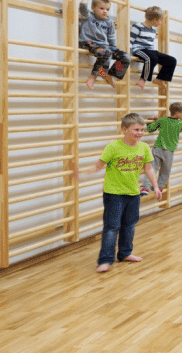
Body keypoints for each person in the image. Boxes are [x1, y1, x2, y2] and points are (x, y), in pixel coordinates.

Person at [75, 113, 162, 273]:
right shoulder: (113, 147)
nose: (139, 133)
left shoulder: (143, 148)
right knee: (112, 227)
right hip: (114, 193)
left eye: (142, 130)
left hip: (133, 193)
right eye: (136, 129)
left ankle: (125, 253)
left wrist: (155, 186)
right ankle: (105, 260)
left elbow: (149, 168)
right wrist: (83, 173)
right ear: (124, 130)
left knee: (129, 226)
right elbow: (99, 166)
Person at [78, 0, 131, 90]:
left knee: (126, 57)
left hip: (104, 46)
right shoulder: (88, 16)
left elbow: (111, 37)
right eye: (101, 8)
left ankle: (109, 74)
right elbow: (82, 5)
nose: (105, 11)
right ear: (93, 8)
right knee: (106, 52)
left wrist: (114, 49)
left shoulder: (109, 21)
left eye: (107, 9)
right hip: (88, 42)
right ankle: (93, 76)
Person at [139, 102, 182, 195]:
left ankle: (146, 186)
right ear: (178, 113)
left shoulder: (162, 120)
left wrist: (151, 120)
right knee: (166, 170)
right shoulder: (180, 123)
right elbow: (178, 129)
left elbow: (151, 129)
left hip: (157, 148)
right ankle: (159, 187)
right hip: (169, 151)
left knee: (152, 168)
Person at [130, 6, 177, 90]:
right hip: (139, 49)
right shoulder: (137, 26)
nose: (161, 22)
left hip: (150, 50)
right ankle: (142, 79)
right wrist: (128, 54)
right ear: (155, 19)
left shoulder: (153, 30)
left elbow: (150, 45)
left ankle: (159, 79)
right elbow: (130, 41)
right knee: (152, 57)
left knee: (172, 60)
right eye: (160, 20)